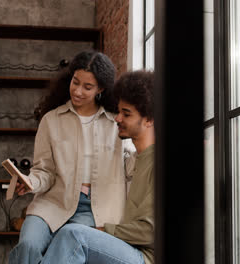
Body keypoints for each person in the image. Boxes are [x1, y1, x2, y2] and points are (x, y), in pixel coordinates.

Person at [9, 51, 133, 264]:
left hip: (95, 209)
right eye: (75, 82)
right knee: (28, 245)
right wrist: (31, 182)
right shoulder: (51, 120)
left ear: (101, 89)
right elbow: (44, 170)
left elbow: (131, 166)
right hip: (53, 202)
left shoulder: (116, 122)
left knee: (62, 255)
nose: (77, 91)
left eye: (87, 87)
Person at [40, 70, 155, 264]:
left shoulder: (158, 163)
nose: (117, 118)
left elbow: (153, 231)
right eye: (119, 111)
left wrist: (103, 230)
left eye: (126, 114)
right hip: (126, 247)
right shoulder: (136, 159)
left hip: (145, 257)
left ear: (149, 120)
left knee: (74, 236)